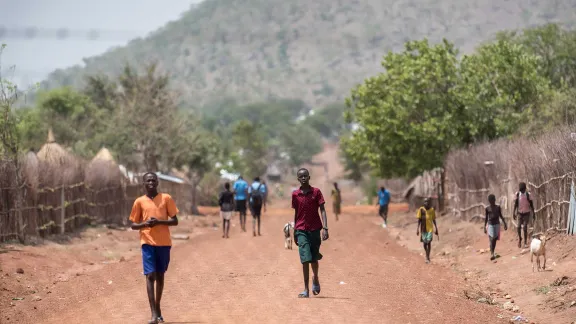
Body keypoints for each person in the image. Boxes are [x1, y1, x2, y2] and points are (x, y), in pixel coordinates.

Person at [129, 172, 179, 324]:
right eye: (148, 180)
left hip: (164, 243)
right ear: (143, 183)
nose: (150, 182)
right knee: (150, 275)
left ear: (157, 182)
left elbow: (175, 221)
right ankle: (153, 315)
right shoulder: (139, 202)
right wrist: (145, 224)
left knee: (160, 276)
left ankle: (158, 307)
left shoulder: (166, 198)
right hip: (147, 242)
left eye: (153, 180)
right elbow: (133, 224)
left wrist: (159, 222)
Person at [292, 168, 329, 298]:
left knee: (313, 258)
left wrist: (325, 227)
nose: (303, 178)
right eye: (301, 177)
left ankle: (316, 278)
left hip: (315, 229)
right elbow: (296, 213)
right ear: (298, 179)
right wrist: (295, 230)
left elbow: (323, 210)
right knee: (305, 259)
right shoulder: (295, 195)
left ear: (309, 177)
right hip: (301, 229)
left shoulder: (316, 192)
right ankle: (306, 289)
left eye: (305, 176)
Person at [484, 194, 508, 260]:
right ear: (489, 201)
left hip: (497, 224)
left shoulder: (497, 207)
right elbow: (486, 218)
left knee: (494, 239)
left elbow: (501, 215)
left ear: (494, 200)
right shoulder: (487, 208)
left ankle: (493, 251)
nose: (492, 201)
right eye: (491, 200)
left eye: (493, 200)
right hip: (490, 225)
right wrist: (484, 227)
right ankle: (492, 253)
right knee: (491, 239)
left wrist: (504, 223)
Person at [416, 197, 438, 264]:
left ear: (429, 203)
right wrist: (417, 229)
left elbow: (434, 220)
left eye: (427, 202)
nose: (426, 203)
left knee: (428, 242)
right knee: (425, 243)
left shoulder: (431, 210)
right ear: (423, 203)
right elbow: (419, 220)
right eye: (425, 201)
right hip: (423, 229)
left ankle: (427, 257)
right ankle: (426, 253)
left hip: (430, 229)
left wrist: (436, 228)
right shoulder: (421, 210)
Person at [513, 182, 535, 248]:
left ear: (525, 189)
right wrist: (513, 213)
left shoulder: (528, 195)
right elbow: (515, 205)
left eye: (523, 190)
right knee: (518, 227)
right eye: (521, 190)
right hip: (520, 213)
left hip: (526, 213)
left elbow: (531, 205)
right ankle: (520, 238)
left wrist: (534, 213)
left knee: (525, 227)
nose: (522, 191)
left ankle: (525, 242)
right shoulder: (517, 195)